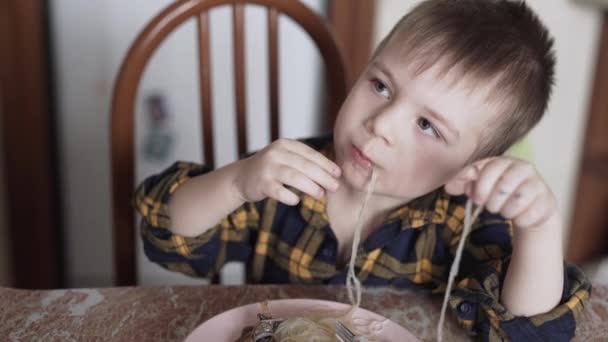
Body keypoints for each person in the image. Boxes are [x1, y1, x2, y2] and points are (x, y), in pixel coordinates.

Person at [134, 0, 591, 339]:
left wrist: (539, 229)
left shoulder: (464, 222)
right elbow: (167, 238)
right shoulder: (285, 176)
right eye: (381, 85)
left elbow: (531, 333)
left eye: (428, 126)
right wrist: (236, 181)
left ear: (471, 167)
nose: (380, 124)